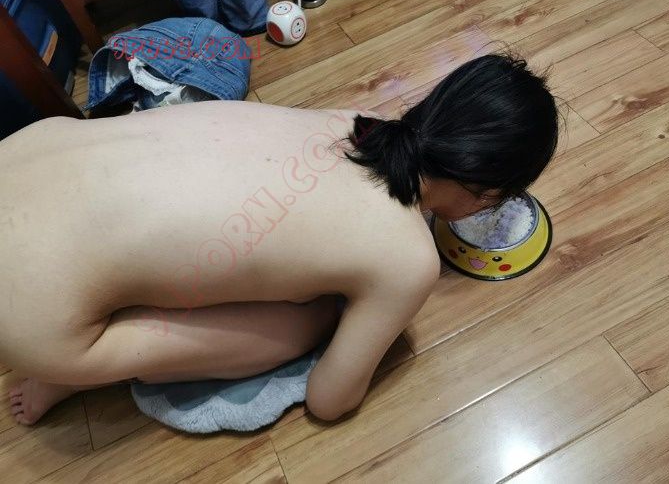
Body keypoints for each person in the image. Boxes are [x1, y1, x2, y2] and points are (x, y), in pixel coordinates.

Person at [1, 53, 558, 425]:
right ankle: (75, 369)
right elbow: (329, 401)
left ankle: (80, 333)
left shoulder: (356, 122)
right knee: (308, 319)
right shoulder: (409, 257)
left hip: (25, 152)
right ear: (488, 192)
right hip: (27, 315)